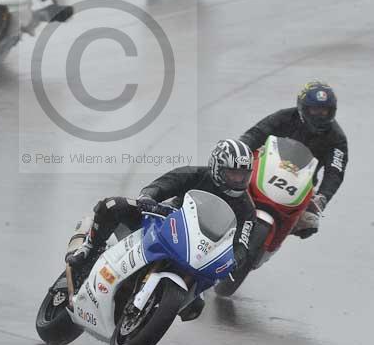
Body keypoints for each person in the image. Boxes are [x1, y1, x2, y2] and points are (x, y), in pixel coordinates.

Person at [66, 139, 256, 320]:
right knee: (112, 205)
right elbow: (162, 185)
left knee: (195, 308)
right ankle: (89, 248)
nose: (238, 180)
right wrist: (148, 198)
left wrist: (235, 259)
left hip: (201, 251)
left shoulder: (246, 208)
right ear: (217, 167)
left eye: (243, 175)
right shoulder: (195, 174)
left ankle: (153, 308)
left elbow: (243, 242)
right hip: (166, 222)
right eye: (233, 174)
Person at [239, 80, 348, 239]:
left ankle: (272, 243)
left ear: (332, 112)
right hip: (265, 171)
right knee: (229, 186)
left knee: (309, 223)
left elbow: (335, 173)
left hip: (300, 186)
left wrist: (322, 198)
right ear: (302, 107)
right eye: (314, 109)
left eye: (324, 111)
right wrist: (239, 150)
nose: (319, 115)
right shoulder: (284, 117)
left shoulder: (337, 139)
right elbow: (256, 134)